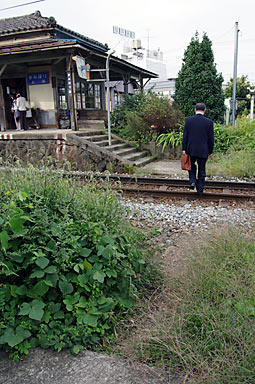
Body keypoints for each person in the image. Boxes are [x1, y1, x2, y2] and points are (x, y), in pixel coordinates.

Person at [182, 102, 214, 196]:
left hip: (190, 149)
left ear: (195, 110)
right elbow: (211, 138)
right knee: (202, 169)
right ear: (205, 110)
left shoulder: (188, 120)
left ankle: (192, 181)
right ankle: (200, 190)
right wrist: (210, 150)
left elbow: (185, 136)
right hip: (204, 150)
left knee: (190, 166)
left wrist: (184, 148)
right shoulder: (209, 122)